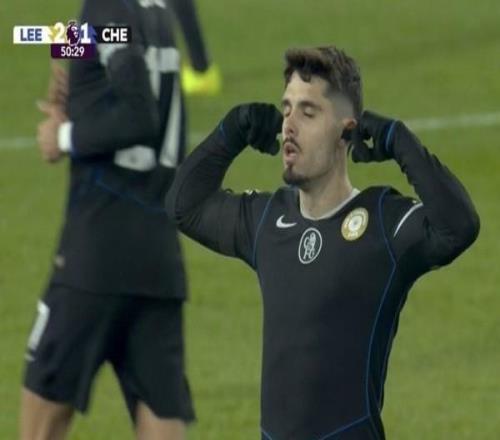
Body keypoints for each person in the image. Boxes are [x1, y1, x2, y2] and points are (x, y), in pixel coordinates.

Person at [166, 46, 480, 439]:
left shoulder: (384, 224)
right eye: (286, 109)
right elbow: (184, 206)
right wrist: (233, 129)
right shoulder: (267, 220)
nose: (289, 126)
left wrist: (399, 141)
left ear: (346, 130)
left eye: (308, 112)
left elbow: (458, 226)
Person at [21, 1, 199, 439]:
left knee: (40, 419)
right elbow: (107, 45)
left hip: (96, 255)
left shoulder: (106, 7)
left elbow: (139, 114)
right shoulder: (158, 14)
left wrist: (64, 136)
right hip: (158, 259)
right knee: (160, 415)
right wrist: (66, 54)